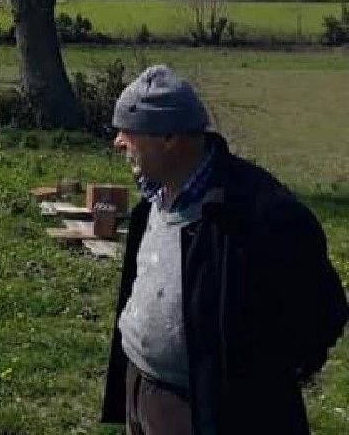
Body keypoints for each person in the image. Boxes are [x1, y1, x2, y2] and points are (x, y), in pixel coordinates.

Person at [100, 65, 347, 434]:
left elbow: (320, 313)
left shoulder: (260, 212)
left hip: (207, 411)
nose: (118, 142)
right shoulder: (154, 198)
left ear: (170, 138)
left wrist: (256, 382)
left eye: (130, 132)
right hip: (141, 387)